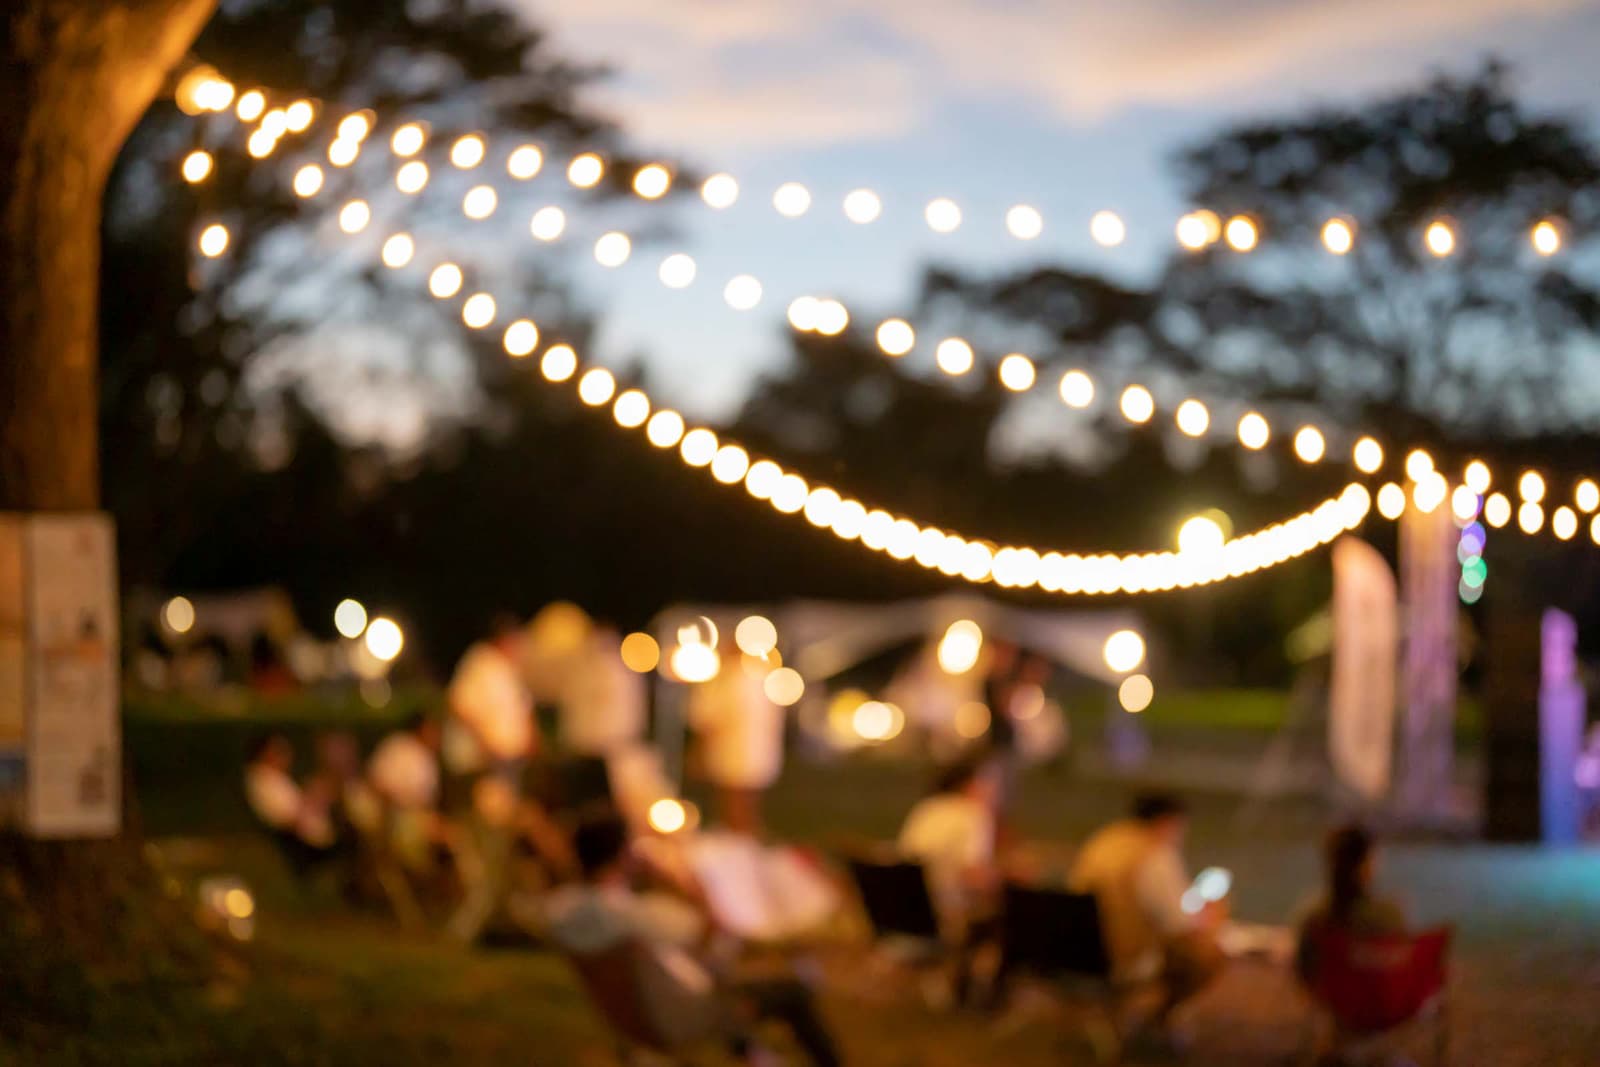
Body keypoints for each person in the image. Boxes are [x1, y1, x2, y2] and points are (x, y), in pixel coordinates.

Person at [546, 813, 843, 1066]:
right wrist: (683, 885)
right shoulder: (638, 915)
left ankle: (754, 1055)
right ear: (625, 854)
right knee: (790, 992)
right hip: (682, 1017)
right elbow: (716, 933)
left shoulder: (564, 910)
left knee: (733, 984)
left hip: (632, 1022)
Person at [1068, 793, 1225, 1040]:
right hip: (1122, 957)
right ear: (1168, 822)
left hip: (1076, 951)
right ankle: (1161, 1017)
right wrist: (1210, 914)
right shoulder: (1155, 855)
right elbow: (1180, 924)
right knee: (1207, 954)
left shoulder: (1105, 840)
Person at [897, 754, 1005, 1005]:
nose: (993, 788)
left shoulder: (926, 810)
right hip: (948, 915)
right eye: (988, 781)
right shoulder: (972, 815)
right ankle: (984, 992)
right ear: (970, 783)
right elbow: (973, 874)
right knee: (1009, 914)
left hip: (909, 912)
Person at [1294, 824, 1407, 984]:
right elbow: (1399, 967)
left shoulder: (1313, 917)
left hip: (1331, 996)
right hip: (1372, 995)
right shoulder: (1387, 916)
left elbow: (1304, 973)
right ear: (1364, 867)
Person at [689, 662, 785, 835]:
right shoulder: (753, 679)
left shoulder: (738, 679)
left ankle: (741, 837)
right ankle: (740, 836)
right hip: (744, 754)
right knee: (739, 802)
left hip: (739, 754)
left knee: (740, 803)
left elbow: (709, 716)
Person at [243, 732, 336, 873]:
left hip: (312, 837)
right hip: (302, 845)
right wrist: (315, 798)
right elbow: (290, 820)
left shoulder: (274, 778)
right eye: (280, 750)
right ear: (266, 753)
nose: (287, 754)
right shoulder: (264, 781)